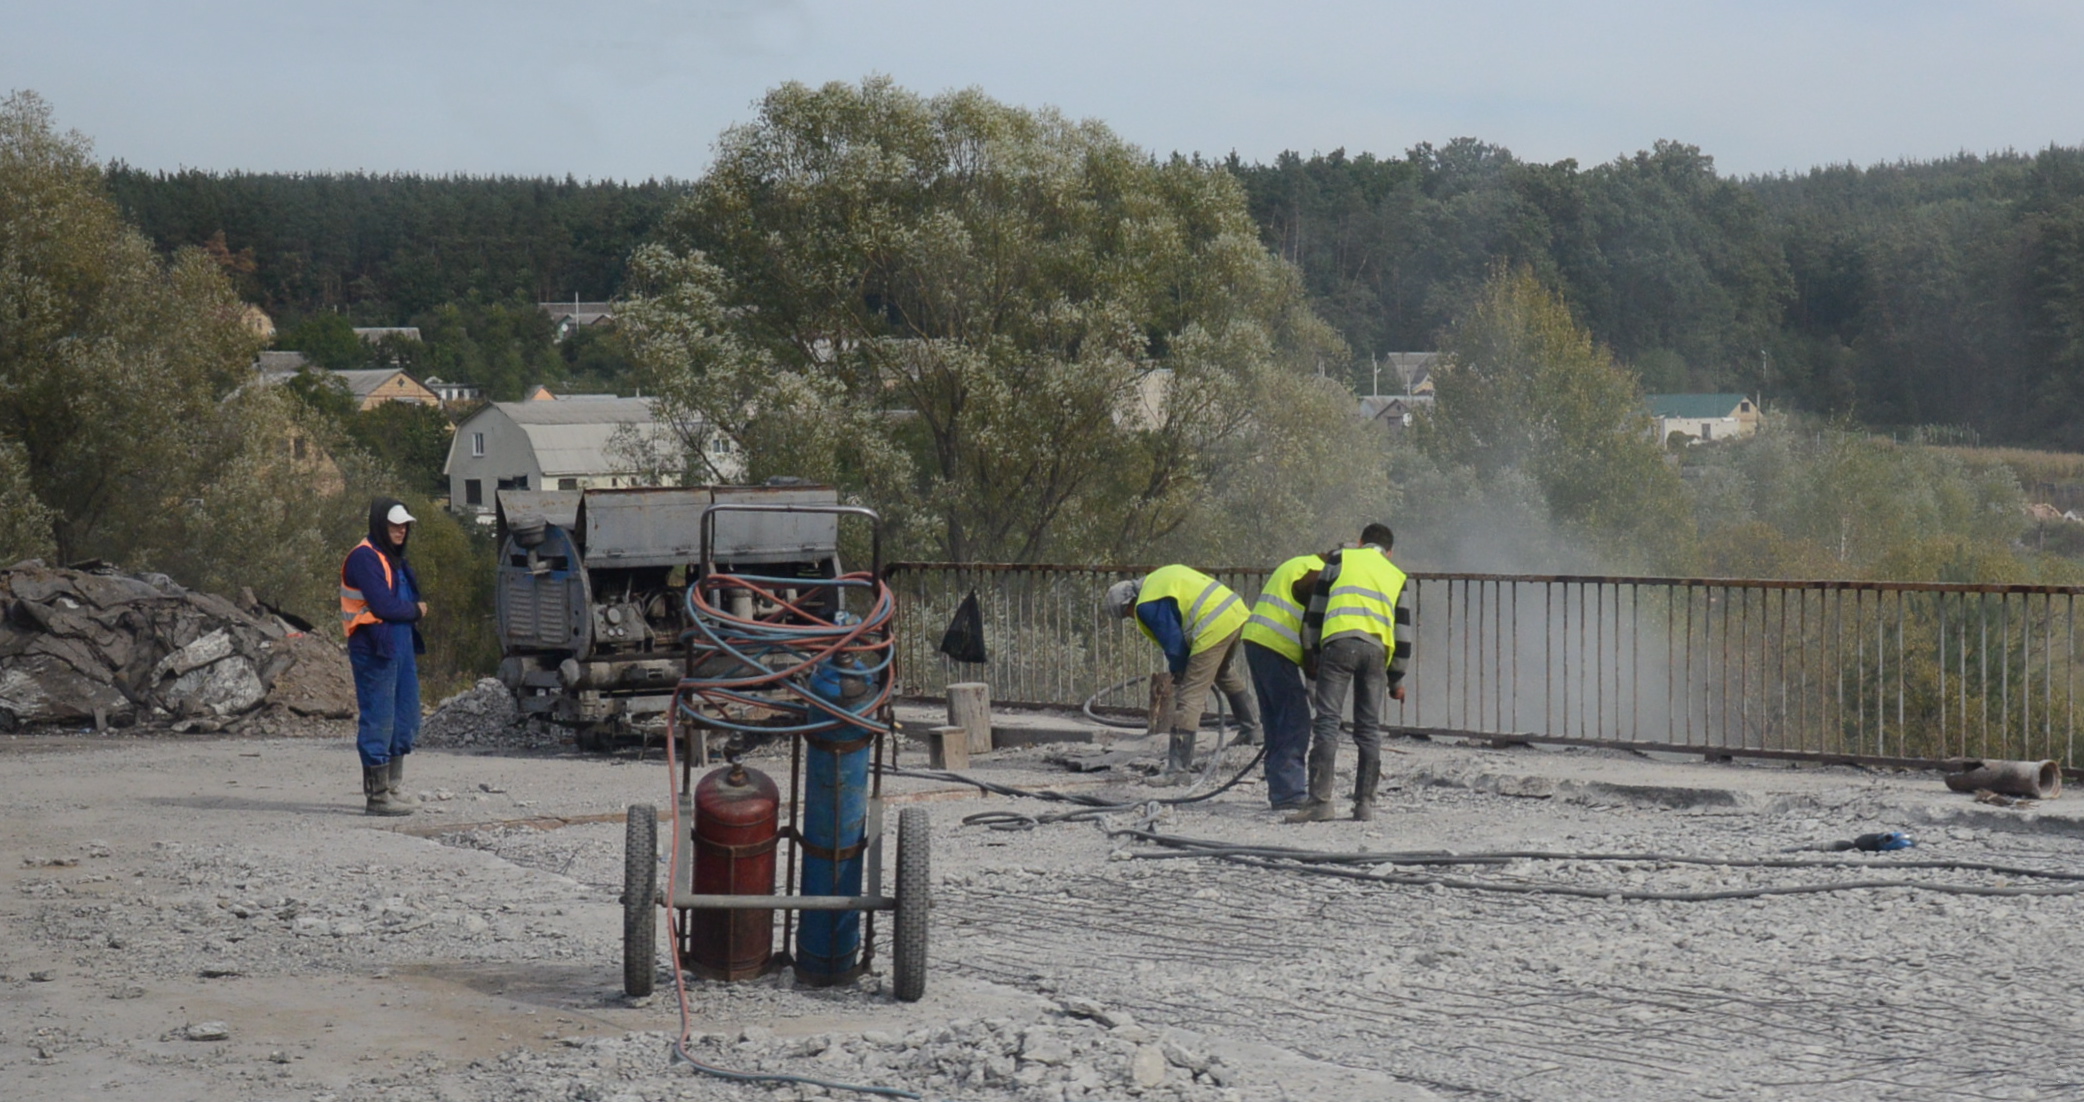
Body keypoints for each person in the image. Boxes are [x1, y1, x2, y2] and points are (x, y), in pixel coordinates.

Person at [1286, 523, 1411, 823]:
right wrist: (1397, 680)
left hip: (1338, 645)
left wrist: (1313, 653)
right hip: (1376, 652)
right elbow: (1403, 632)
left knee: (1328, 722)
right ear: (1389, 553)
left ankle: (1320, 803)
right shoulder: (1396, 575)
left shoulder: (1341, 558)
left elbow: (1315, 611)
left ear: (1360, 542)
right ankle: (1364, 805)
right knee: (1368, 727)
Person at [1104, 565, 1263, 785]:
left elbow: (1174, 642)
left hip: (1212, 623)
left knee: (1190, 696)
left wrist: (1179, 671)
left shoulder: (1146, 603)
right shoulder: (1156, 582)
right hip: (1233, 612)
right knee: (1222, 672)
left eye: (1127, 615)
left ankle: (1177, 770)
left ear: (1128, 603)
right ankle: (1252, 730)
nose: (1131, 617)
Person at [341, 498, 426, 816]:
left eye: (404, 525)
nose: (401, 530)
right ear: (380, 524)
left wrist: (410, 613)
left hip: (399, 646)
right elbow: (384, 607)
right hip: (374, 647)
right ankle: (377, 796)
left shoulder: (395, 559)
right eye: (394, 525)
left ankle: (392, 787)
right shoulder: (364, 557)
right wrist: (416, 610)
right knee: (379, 720)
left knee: (405, 719)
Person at [1241, 551, 1325, 810]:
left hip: (1257, 639)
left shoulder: (1301, 563)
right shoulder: (1320, 574)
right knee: (1294, 719)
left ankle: (1281, 790)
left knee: (1275, 719)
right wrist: (1313, 674)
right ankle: (1289, 793)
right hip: (1276, 644)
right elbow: (1311, 627)